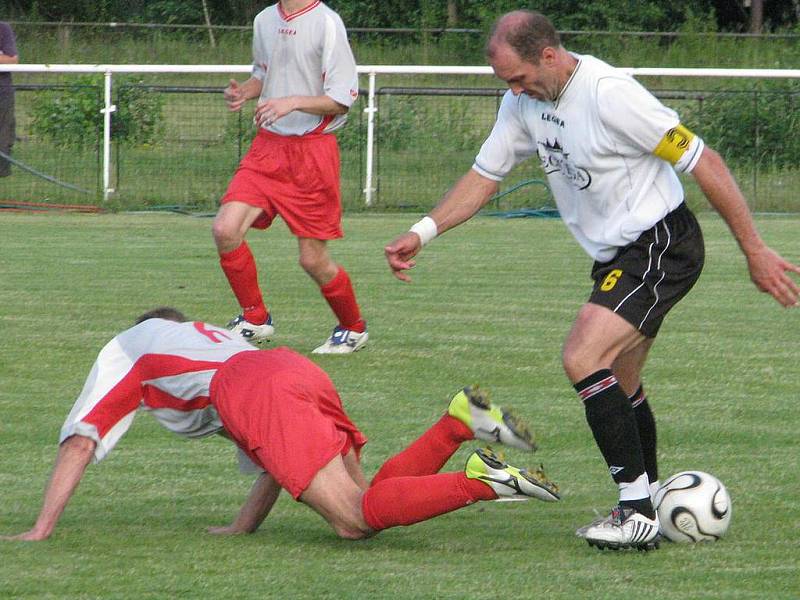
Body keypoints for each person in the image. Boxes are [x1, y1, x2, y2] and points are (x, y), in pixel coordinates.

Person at [384, 10, 800, 551]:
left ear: (549, 56)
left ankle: (634, 513)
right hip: (616, 256)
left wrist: (755, 250)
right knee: (621, 382)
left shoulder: (609, 94)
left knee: (583, 356)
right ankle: (645, 503)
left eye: (519, 77)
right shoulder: (523, 102)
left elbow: (703, 160)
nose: (514, 89)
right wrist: (423, 231)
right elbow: (484, 177)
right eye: (506, 81)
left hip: (660, 244)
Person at [2, 307, 559, 542]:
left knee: (353, 521)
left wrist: (42, 527)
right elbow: (270, 457)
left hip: (258, 388)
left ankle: (483, 480)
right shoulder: (202, 342)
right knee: (371, 496)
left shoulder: (129, 350)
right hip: (292, 367)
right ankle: (455, 424)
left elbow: (80, 441)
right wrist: (242, 528)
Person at [213, 0, 367, 354]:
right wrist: (244, 92)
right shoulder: (264, 19)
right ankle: (255, 318)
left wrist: (292, 102)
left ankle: (353, 328)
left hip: (312, 153)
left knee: (312, 259)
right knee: (225, 229)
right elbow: (263, 76)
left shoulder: (327, 23)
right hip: (267, 148)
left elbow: (342, 99)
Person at [0, 21, 18, 177]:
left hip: (2, 90)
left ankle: (2, 171)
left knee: (4, 132)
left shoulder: (3, 29)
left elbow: (12, 60)